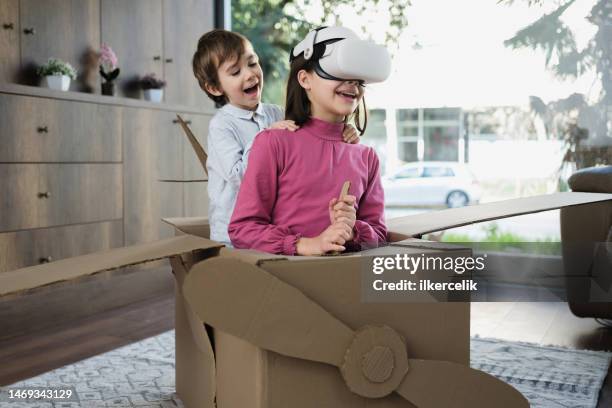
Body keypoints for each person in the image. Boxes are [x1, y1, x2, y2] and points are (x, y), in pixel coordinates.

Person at [228, 27, 388, 255]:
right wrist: (308, 244)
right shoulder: (274, 143)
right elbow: (243, 229)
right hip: (288, 282)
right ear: (304, 79)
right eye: (341, 75)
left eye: (359, 80)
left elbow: (379, 235)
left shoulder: (366, 157)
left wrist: (351, 230)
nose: (353, 86)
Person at [192, 29, 359, 246]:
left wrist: (344, 131)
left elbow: (311, 139)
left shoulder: (277, 113)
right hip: (233, 235)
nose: (250, 74)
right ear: (215, 88)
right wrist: (266, 138)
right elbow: (238, 176)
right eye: (235, 72)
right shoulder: (222, 125)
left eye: (252, 63)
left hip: (273, 230)